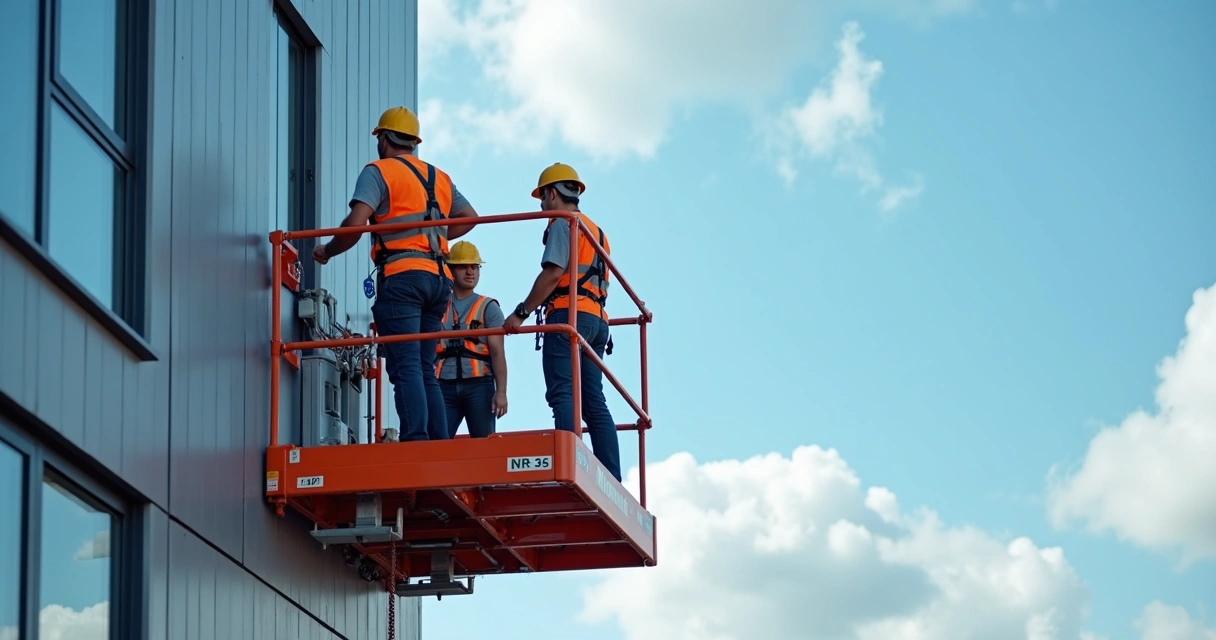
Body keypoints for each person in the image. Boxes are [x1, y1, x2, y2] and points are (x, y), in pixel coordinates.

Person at [312, 106, 478, 442]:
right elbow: (469, 217)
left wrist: (327, 251)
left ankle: (416, 439)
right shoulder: (438, 177)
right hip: (438, 278)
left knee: (405, 365)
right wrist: (436, 239)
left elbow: (356, 224)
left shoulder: (378, 171)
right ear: (414, 142)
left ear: (383, 139)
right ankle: (437, 442)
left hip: (403, 276)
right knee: (423, 365)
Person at [502, 163, 621, 481]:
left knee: (563, 393)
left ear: (552, 193)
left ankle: (572, 466)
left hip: (569, 317)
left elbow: (554, 272)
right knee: (593, 400)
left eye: (542, 198)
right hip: (597, 323)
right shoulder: (595, 230)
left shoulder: (562, 224)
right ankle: (612, 477)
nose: (541, 206)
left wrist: (521, 312)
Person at [435, 240, 508, 438]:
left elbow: (497, 352)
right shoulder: (437, 306)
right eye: (463, 267)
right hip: (443, 384)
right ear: (450, 270)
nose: (470, 272)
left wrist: (501, 391)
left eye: (474, 267)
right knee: (436, 445)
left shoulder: (488, 307)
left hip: (479, 385)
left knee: (484, 444)